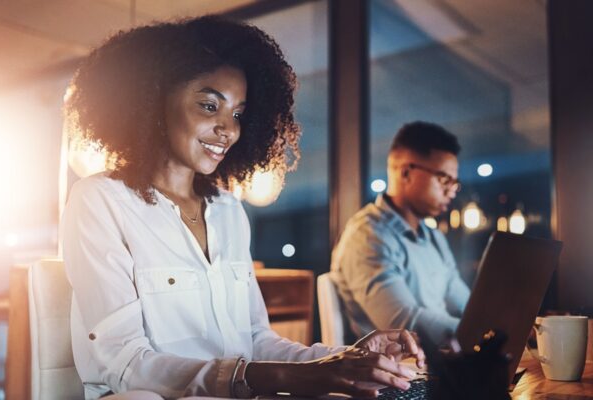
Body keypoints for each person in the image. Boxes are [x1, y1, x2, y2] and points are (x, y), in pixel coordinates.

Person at [62, 16, 425, 399]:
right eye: (208, 106)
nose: (229, 130)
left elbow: (254, 340)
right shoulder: (100, 201)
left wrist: (348, 359)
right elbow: (126, 364)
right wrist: (277, 379)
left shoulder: (227, 211)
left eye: (237, 114)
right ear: (152, 100)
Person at [330, 121, 470, 352]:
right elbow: (405, 324)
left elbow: (464, 302)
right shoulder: (367, 236)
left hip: (439, 363)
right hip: (394, 372)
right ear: (406, 173)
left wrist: (496, 325)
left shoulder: (433, 236)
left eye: (454, 183)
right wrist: (480, 332)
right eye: (444, 180)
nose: (450, 191)